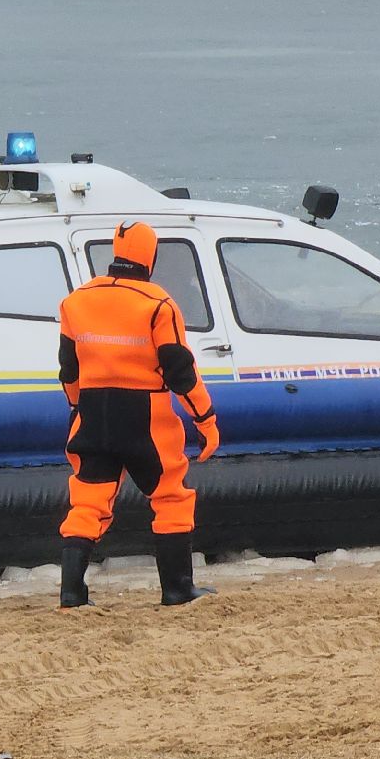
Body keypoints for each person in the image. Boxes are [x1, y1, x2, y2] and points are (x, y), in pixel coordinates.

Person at [56, 221, 221, 607]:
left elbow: (69, 369)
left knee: (88, 502)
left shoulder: (75, 302)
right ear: (151, 255)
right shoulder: (159, 305)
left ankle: (72, 591)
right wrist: (206, 420)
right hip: (146, 415)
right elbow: (180, 371)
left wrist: (78, 409)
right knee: (171, 497)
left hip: (93, 412)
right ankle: (177, 588)